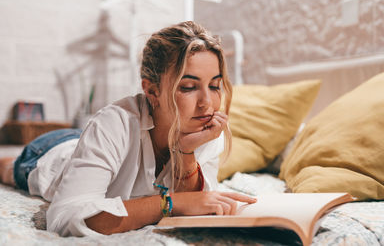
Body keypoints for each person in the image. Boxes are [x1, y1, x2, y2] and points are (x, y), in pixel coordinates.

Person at [0, 21, 256, 236]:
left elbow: (193, 204)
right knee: (10, 169)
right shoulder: (114, 122)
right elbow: (64, 219)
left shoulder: (206, 129)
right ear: (151, 91)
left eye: (214, 86)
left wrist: (185, 153)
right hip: (51, 152)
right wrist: (169, 203)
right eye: (188, 87)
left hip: (95, 144)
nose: (207, 103)